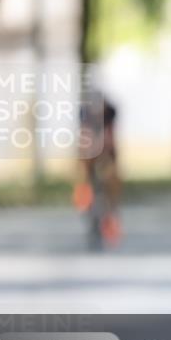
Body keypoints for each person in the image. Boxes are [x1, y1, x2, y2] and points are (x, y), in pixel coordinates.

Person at [73, 97, 122, 247]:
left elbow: (111, 144)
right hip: (90, 155)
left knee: (111, 178)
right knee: (84, 177)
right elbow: (83, 145)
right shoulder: (86, 119)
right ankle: (86, 205)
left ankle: (111, 210)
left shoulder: (109, 116)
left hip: (106, 154)